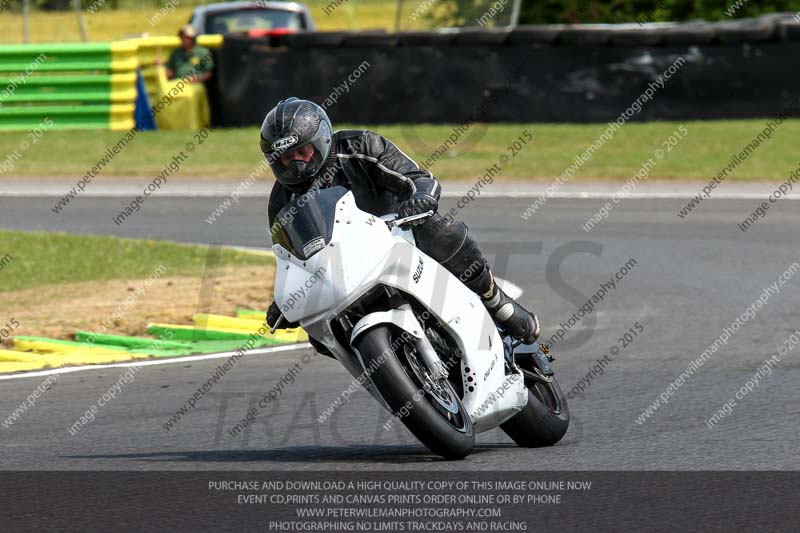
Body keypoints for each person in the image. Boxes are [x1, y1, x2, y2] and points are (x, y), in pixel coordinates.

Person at [262, 97, 540, 345]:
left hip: (397, 234)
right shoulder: (281, 202)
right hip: (342, 268)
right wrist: (284, 300)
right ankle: (380, 374)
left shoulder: (360, 146)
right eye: (288, 158)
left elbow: (418, 178)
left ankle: (495, 301)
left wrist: (421, 198)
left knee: (439, 231)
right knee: (318, 332)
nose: (297, 163)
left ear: (321, 141)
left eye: (303, 152)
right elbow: (291, 259)